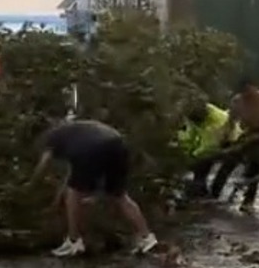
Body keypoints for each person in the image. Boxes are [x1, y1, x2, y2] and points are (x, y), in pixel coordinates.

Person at [30, 119, 158, 257]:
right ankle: (147, 238)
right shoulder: (72, 132)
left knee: (74, 194)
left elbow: (44, 162)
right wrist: (59, 196)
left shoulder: (51, 136)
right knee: (119, 195)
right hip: (117, 143)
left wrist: (31, 184)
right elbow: (72, 174)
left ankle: (74, 241)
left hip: (93, 148)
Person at [208, 77, 259, 213]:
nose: (249, 96)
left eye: (251, 91)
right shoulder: (238, 101)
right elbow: (231, 122)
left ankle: (248, 201)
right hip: (248, 133)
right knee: (229, 163)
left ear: (256, 88)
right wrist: (224, 140)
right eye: (246, 93)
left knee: (255, 166)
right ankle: (214, 195)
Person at [178, 102, 239, 198]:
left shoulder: (216, 121)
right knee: (201, 169)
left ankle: (214, 195)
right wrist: (187, 153)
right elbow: (190, 137)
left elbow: (210, 145)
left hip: (232, 141)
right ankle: (201, 191)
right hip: (213, 141)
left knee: (221, 169)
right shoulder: (195, 118)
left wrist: (194, 156)